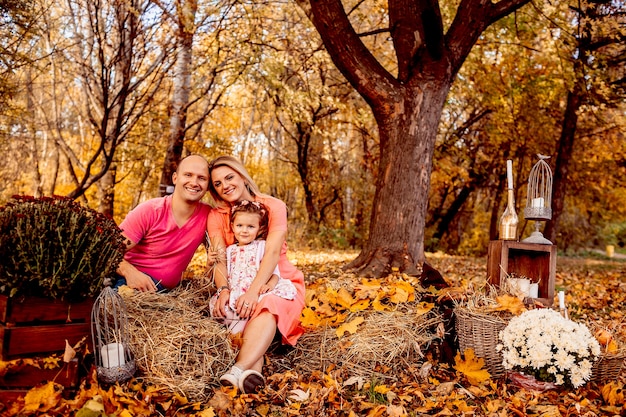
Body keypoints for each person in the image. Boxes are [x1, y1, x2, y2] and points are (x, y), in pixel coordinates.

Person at [206, 155, 305, 394]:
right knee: (239, 311)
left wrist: (253, 292)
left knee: (266, 304)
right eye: (217, 183)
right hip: (236, 284)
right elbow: (218, 259)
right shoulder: (216, 216)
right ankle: (252, 375)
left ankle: (237, 369)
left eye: (229, 177)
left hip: (275, 280)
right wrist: (224, 290)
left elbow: (271, 253)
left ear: (242, 176)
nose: (225, 185)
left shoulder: (273, 206)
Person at [115, 154, 212, 292]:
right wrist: (130, 272)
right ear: (175, 178)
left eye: (201, 178)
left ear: (208, 185)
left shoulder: (208, 216)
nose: (194, 182)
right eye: (188, 175)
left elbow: (221, 256)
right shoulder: (150, 211)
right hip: (129, 283)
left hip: (165, 294)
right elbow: (106, 251)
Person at [209, 200, 296, 335]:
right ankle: (235, 332)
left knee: (242, 312)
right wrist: (210, 262)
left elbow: (275, 273)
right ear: (232, 226)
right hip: (235, 293)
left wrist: (270, 285)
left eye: (250, 227)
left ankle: (234, 339)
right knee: (222, 312)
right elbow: (220, 272)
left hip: (253, 292)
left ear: (259, 228)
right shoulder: (229, 250)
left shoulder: (261, 247)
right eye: (239, 225)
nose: (244, 230)